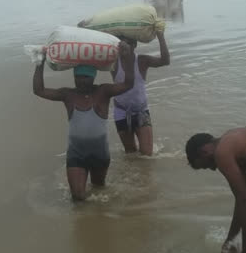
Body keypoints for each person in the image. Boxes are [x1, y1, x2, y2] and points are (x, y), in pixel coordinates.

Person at [33, 42, 134, 201]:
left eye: (85, 77)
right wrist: (40, 61)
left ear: (93, 77)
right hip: (76, 154)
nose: (81, 81)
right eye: (77, 77)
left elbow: (128, 83)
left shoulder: (103, 91)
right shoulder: (68, 94)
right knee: (78, 198)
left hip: (100, 154)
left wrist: (127, 57)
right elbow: (39, 90)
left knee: (99, 192)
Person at [111, 30, 169, 156]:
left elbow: (165, 61)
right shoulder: (113, 62)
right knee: (130, 154)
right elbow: (91, 59)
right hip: (121, 111)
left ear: (135, 45)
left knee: (147, 155)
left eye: (129, 44)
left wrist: (160, 35)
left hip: (141, 111)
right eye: (123, 45)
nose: (126, 47)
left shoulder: (142, 61)